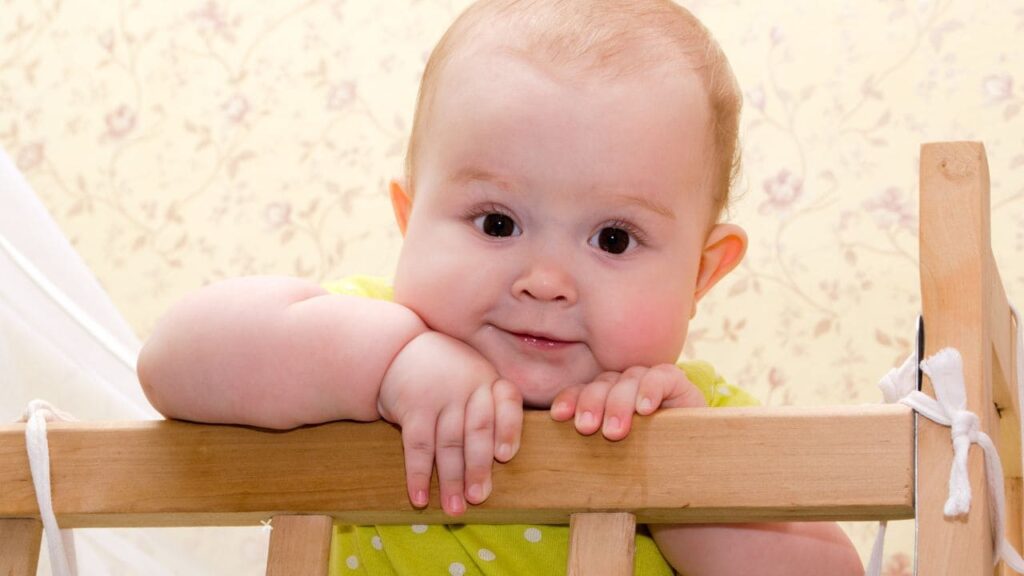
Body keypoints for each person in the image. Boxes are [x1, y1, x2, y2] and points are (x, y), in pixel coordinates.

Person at [137, 0, 863, 573]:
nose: (545, 283)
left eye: (613, 238)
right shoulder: (366, 334)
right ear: (408, 217)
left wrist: (683, 482)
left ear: (702, 274)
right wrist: (387, 365)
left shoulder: (695, 414)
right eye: (495, 222)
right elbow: (171, 360)